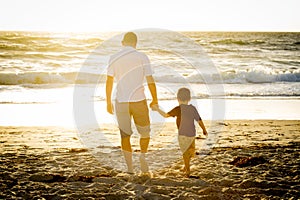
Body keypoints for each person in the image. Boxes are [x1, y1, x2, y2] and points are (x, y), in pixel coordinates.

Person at [106, 32, 158, 174]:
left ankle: (129, 168)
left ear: (122, 42)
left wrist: (107, 101)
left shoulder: (113, 57)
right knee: (145, 133)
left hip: (121, 102)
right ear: (136, 43)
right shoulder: (142, 57)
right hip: (139, 101)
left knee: (125, 136)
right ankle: (142, 156)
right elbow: (150, 80)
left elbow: (109, 81)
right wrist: (155, 99)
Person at [152, 87, 208, 177]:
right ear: (189, 98)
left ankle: (186, 166)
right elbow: (199, 120)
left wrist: (157, 109)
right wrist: (204, 129)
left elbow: (166, 115)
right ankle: (187, 169)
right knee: (190, 151)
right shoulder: (191, 108)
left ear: (177, 98)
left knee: (187, 152)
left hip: (183, 134)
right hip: (191, 134)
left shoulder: (179, 108)